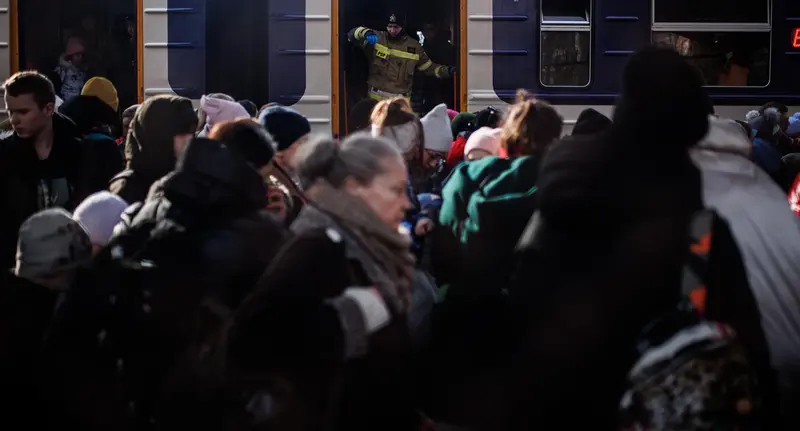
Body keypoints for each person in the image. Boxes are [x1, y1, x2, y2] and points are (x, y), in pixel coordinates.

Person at [0, 71, 95, 268]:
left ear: (48, 109)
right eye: (11, 111)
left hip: (69, 266)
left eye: (23, 112)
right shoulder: (5, 156)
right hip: (18, 269)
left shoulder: (80, 152)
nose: (14, 120)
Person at [347, 12, 455, 103]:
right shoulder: (377, 38)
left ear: (403, 26)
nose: (392, 30)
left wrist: (448, 71)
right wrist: (365, 32)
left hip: (401, 102)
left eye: (396, 27)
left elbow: (430, 68)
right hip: (376, 101)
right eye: (389, 26)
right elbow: (352, 34)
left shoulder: (414, 47)